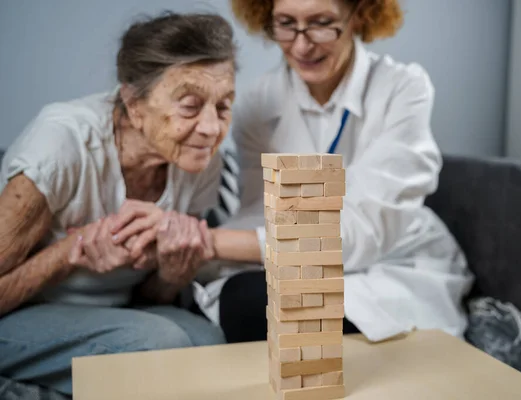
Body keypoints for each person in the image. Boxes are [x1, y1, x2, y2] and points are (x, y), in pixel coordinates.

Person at [190, 0, 475, 343]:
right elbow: (259, 211)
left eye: (321, 23)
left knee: (268, 305)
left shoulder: (402, 88)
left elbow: (364, 230)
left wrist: (207, 241)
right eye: (285, 23)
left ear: (360, 15)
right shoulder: (258, 100)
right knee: (241, 297)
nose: (301, 45)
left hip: (390, 257)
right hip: (294, 253)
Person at [0, 12, 237, 395]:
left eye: (224, 106)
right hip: (21, 314)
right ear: (134, 103)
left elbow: (148, 296)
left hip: (119, 312)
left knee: (209, 343)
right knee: (158, 346)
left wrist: (173, 272)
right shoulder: (62, 143)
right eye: (191, 106)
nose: (211, 128)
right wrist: (67, 254)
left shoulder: (203, 160)